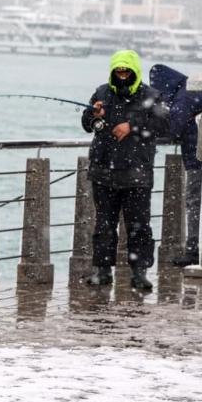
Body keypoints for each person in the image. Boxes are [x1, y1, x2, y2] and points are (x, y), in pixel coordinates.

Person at [81, 49, 169, 291]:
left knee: (139, 225)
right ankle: (102, 271)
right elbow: (88, 125)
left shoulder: (152, 95)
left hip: (137, 173)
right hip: (103, 171)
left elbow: (164, 125)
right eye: (117, 71)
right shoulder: (101, 92)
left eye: (126, 71)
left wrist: (132, 125)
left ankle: (140, 273)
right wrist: (92, 114)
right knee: (104, 225)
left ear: (135, 71)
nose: (121, 75)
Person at [149, 63, 202, 267]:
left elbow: (174, 128)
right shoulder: (190, 90)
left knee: (194, 203)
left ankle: (194, 252)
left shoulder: (184, 96)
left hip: (199, 157)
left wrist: (146, 134)